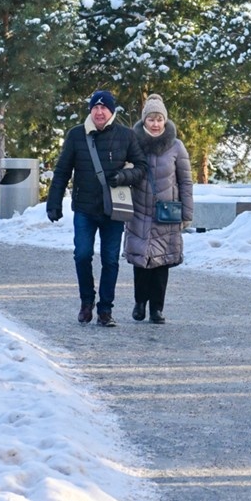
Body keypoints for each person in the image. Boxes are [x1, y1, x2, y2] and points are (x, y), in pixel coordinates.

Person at [47, 90, 148, 327]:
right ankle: (86, 302)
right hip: (84, 208)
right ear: (90, 110)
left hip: (114, 209)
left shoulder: (126, 135)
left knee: (110, 260)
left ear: (111, 111)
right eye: (95, 108)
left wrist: (123, 176)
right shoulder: (76, 135)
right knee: (82, 255)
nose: (99, 112)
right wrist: (53, 203)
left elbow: (142, 167)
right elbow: (62, 171)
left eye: (104, 108)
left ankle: (105, 309)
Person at [124, 94, 194, 325]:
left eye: (159, 119)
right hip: (139, 211)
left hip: (166, 212)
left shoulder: (176, 146)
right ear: (144, 120)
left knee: (162, 262)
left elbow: (185, 181)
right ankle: (139, 302)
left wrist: (187, 213)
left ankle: (157, 308)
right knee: (141, 261)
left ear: (165, 120)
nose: (155, 124)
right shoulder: (132, 142)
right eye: (151, 119)